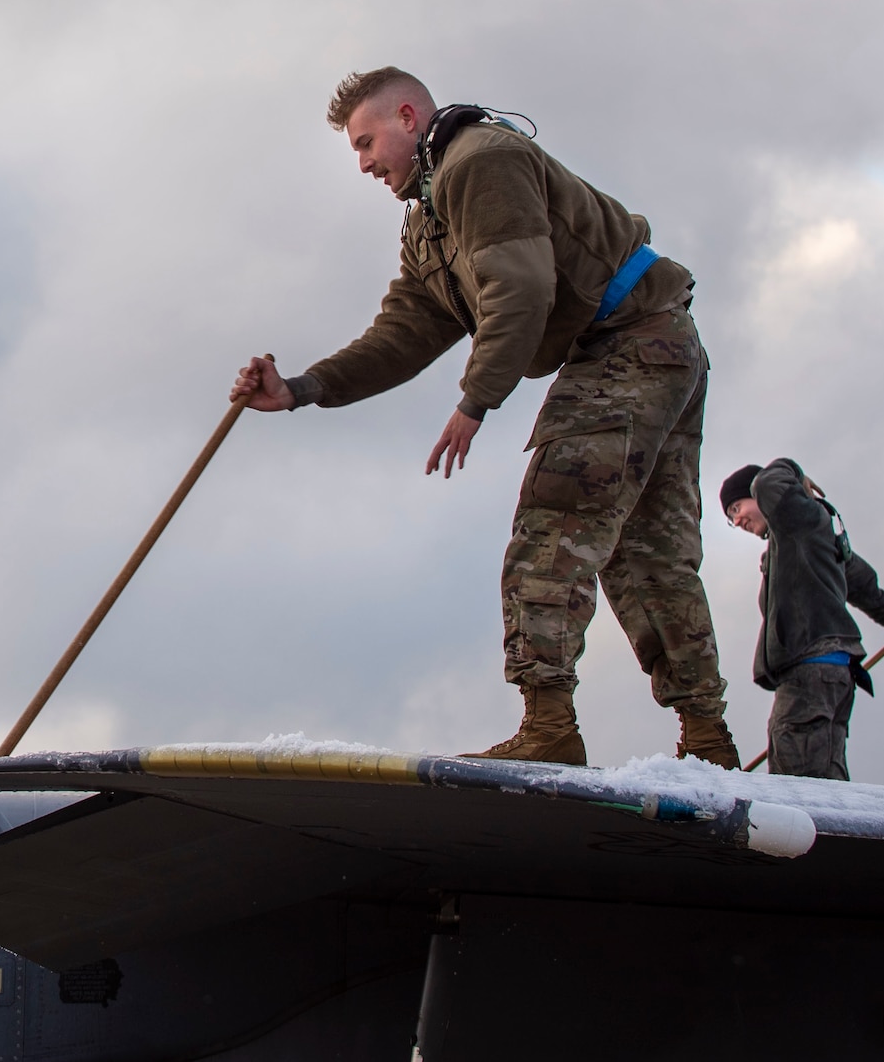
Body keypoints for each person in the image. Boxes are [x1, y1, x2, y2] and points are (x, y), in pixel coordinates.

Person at [231, 67, 740, 767]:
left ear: (408, 116)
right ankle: (708, 738)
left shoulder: (481, 162)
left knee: (553, 525)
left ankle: (550, 727)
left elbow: (522, 289)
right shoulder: (429, 221)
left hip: (632, 343)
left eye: (366, 141)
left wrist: (476, 399)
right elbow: (404, 332)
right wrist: (301, 387)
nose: (364, 163)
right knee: (645, 550)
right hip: (660, 346)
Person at [720, 460, 884, 779]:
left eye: (736, 507)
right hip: (830, 674)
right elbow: (855, 576)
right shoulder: (801, 538)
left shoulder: (796, 518)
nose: (737, 520)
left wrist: (793, 472)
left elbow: (769, 482)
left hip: (809, 670)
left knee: (798, 787)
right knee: (825, 781)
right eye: (731, 518)